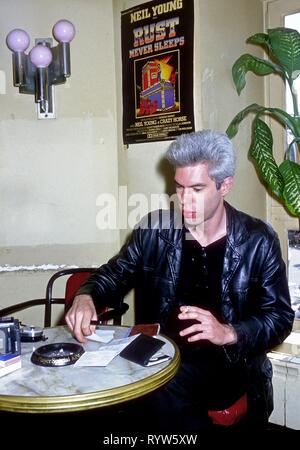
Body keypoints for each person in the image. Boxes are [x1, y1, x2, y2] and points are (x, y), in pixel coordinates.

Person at [65, 130, 294, 432]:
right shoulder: (155, 230)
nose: (184, 199)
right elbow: (114, 275)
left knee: (160, 392)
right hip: (158, 354)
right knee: (92, 386)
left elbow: (279, 318)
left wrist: (229, 332)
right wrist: (87, 296)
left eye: (197, 189)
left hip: (229, 363)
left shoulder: (257, 240)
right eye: (179, 186)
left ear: (225, 185)